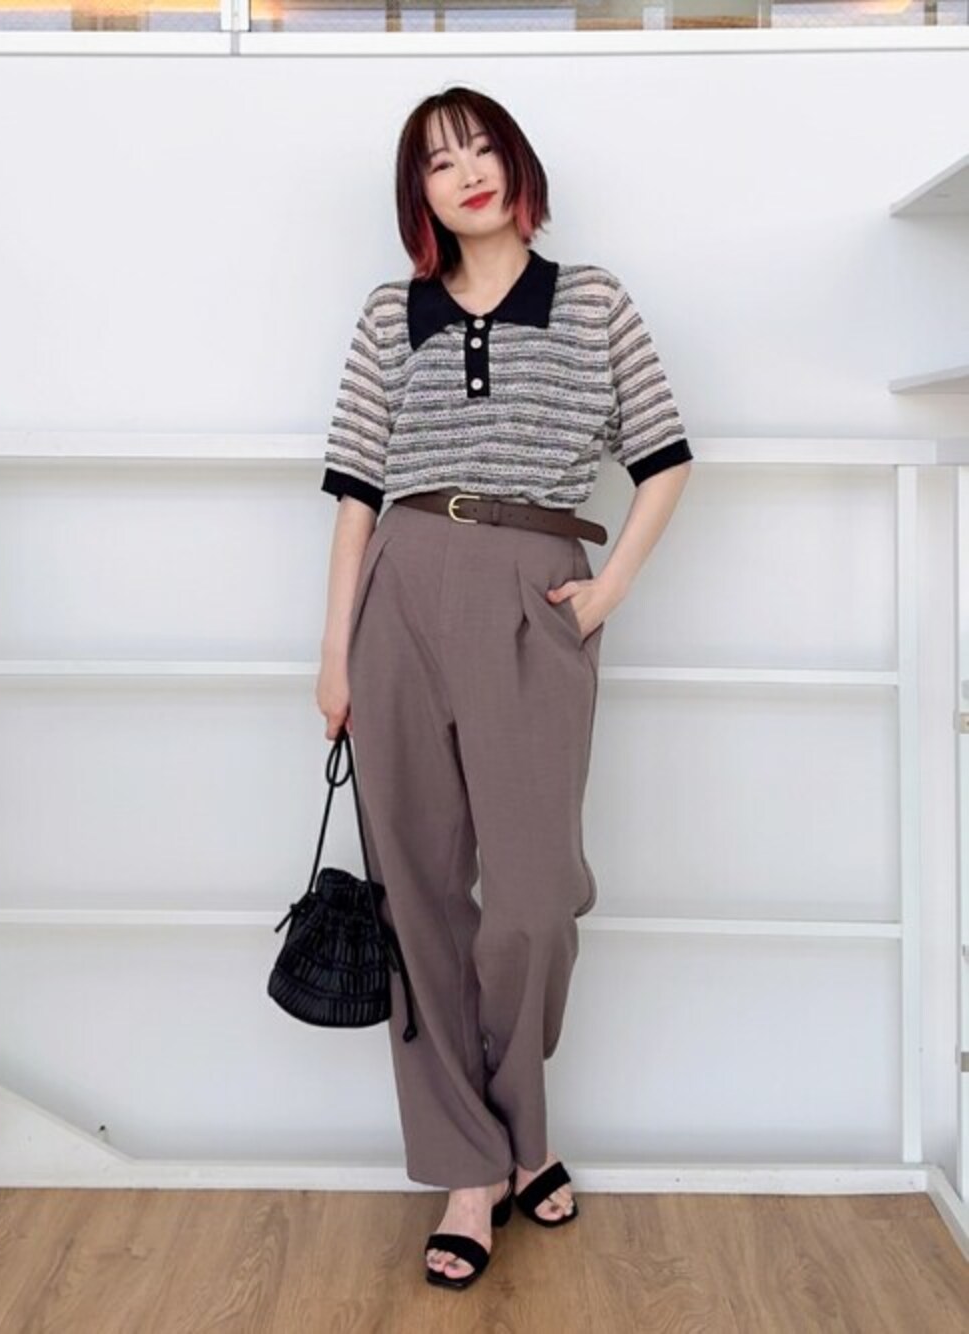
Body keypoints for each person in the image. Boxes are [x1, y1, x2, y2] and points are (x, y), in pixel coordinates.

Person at [315, 85, 693, 1290]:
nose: (466, 171)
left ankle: (519, 1124)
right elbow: (356, 490)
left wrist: (607, 589)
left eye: (481, 148)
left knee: (532, 895)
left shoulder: (592, 300)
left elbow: (666, 458)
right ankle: (472, 1170)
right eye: (438, 161)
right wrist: (335, 650)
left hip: (536, 590)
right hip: (402, 593)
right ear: (417, 194)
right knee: (419, 895)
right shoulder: (392, 313)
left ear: (515, 163)